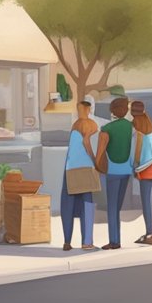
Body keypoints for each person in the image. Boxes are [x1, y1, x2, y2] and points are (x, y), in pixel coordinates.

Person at [95, 96, 134, 250]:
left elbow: (100, 152)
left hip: (112, 171)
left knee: (111, 207)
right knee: (117, 206)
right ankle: (116, 239)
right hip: (126, 171)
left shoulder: (107, 129)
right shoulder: (131, 127)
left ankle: (114, 241)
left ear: (113, 111)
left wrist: (97, 166)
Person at [61, 95, 99, 251]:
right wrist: (95, 160)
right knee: (87, 206)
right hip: (86, 168)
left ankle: (67, 241)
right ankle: (87, 242)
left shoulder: (75, 124)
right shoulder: (91, 124)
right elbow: (87, 143)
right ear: (89, 110)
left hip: (70, 168)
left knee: (67, 206)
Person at [130, 100, 152, 246]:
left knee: (147, 204)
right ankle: (150, 232)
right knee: (149, 203)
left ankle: (150, 234)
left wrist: (135, 169)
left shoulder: (141, 137)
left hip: (146, 174)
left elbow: (140, 159)